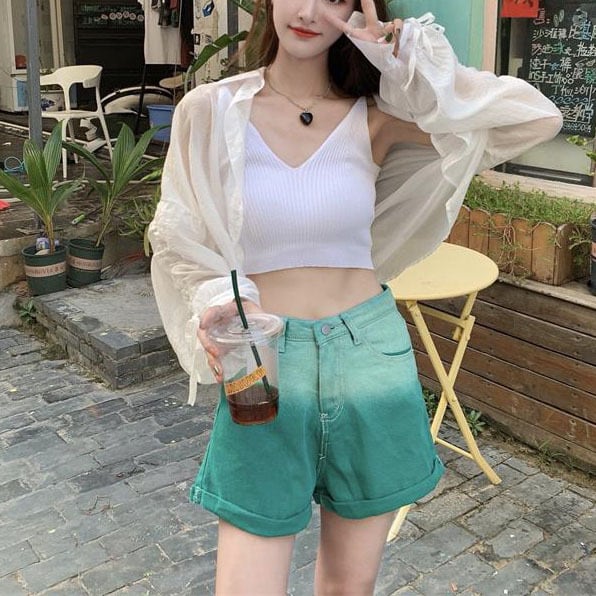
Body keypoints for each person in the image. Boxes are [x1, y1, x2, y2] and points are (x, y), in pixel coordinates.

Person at [148, 0, 562, 593]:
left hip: (367, 353)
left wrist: (406, 59)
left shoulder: (377, 118)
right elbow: (178, 231)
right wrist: (219, 299)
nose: (310, 10)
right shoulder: (213, 108)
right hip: (265, 359)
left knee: (349, 587)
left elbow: (532, 120)